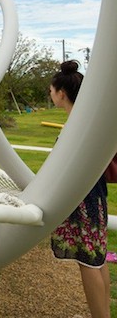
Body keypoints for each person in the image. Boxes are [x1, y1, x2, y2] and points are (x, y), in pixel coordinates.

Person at [49, 60, 110, 318]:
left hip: (82, 200)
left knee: (88, 262)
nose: (50, 95)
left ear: (61, 93)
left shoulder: (75, 126)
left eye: (51, 91)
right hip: (97, 197)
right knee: (99, 258)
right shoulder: (89, 121)